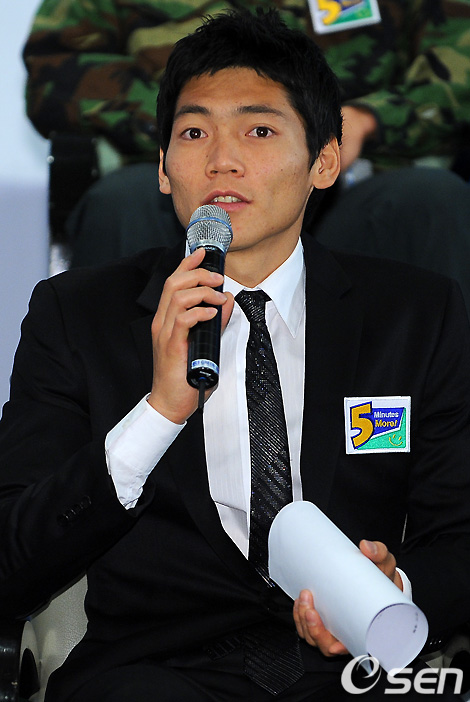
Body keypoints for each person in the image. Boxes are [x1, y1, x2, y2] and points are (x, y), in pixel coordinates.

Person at [2, 9, 470, 700]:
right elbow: (13, 564)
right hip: (152, 676)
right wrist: (159, 411)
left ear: (324, 161)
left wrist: (390, 592)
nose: (222, 159)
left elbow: (459, 535)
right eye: (193, 133)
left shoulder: (417, 314)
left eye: (259, 130)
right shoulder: (76, 315)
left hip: (355, 676)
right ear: (163, 170)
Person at [23, 0, 470, 313]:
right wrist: (191, 118)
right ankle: (135, 398)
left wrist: (371, 118)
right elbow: (54, 70)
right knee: (123, 201)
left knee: (431, 200)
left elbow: (460, 64)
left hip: (358, 184)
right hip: (175, 191)